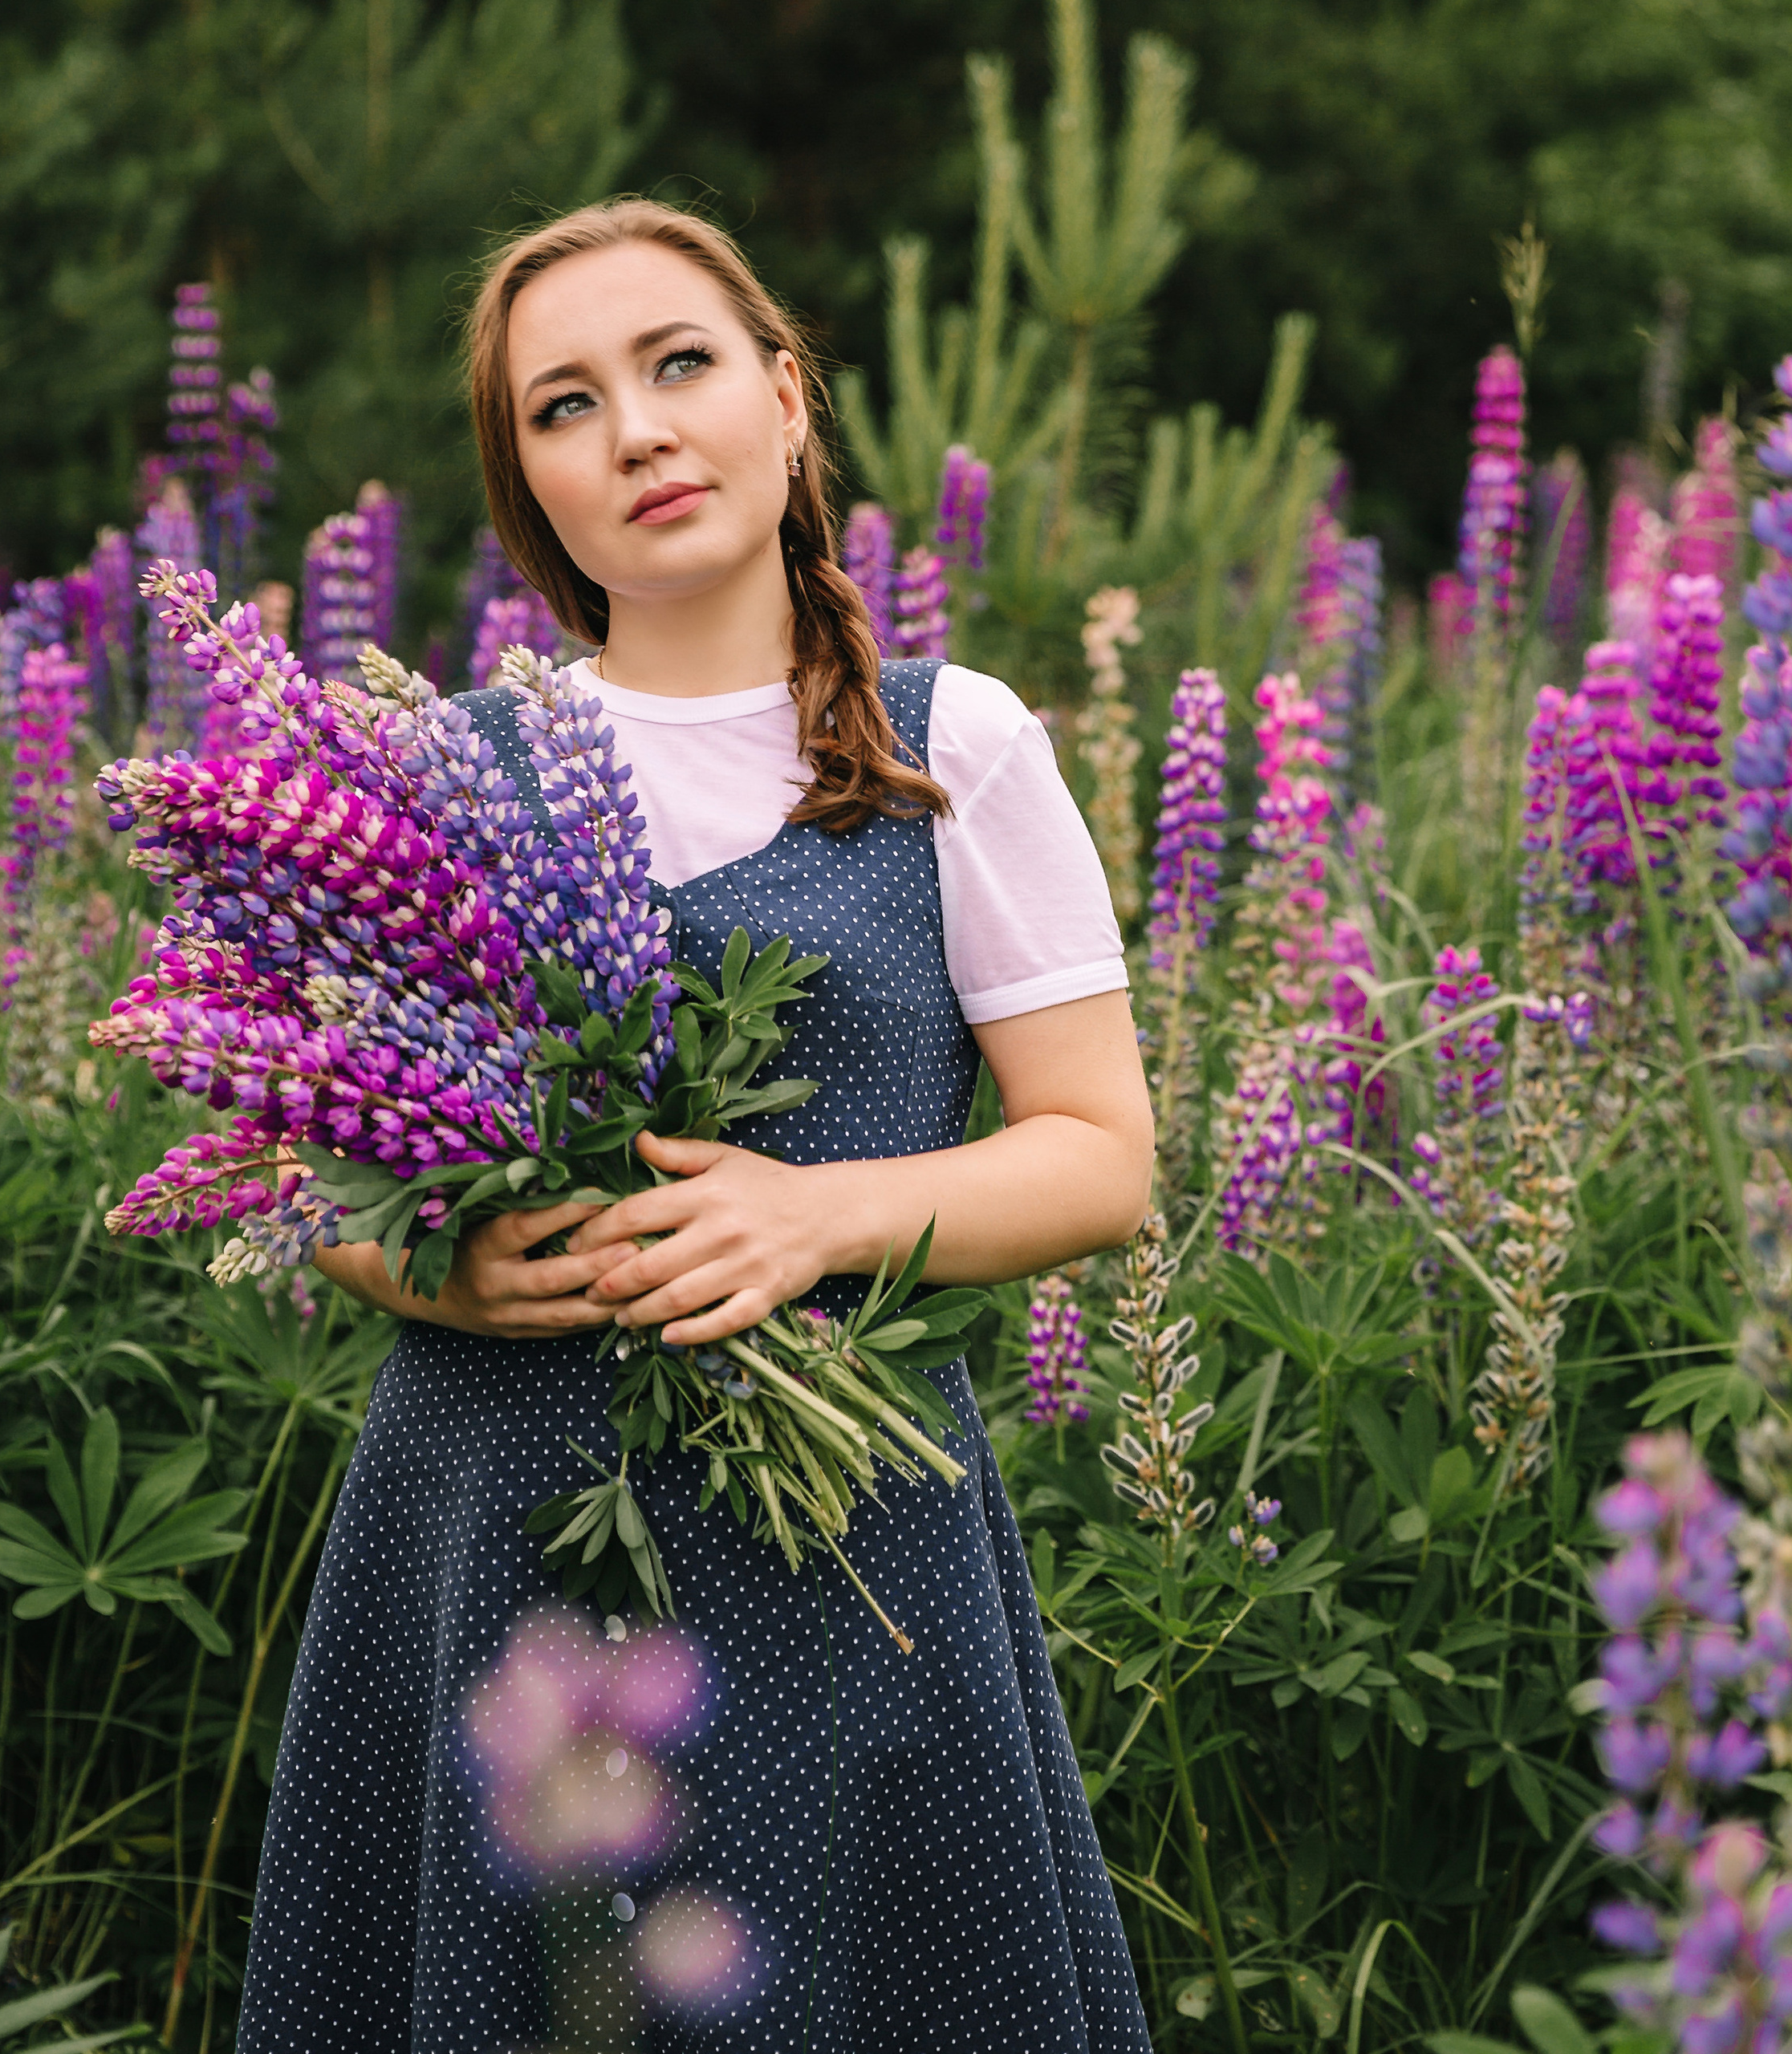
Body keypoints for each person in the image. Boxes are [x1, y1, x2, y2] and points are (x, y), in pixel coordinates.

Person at [235, 197, 1155, 2054]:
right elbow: (288, 1156)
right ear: (531, 493)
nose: (637, 431)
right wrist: (435, 1256)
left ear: (784, 398)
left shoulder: (937, 746)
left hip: (840, 1558)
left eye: (678, 366)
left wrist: (813, 1218)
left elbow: (1097, 1153)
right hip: (491, 1526)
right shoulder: (430, 771)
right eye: (563, 408)